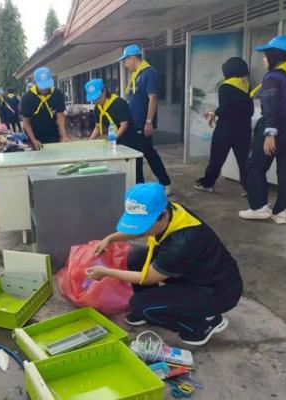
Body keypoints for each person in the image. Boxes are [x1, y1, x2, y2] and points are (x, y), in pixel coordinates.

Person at [87, 183, 243, 346]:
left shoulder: (182, 242)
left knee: (139, 305)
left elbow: (147, 278)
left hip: (218, 291)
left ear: (163, 214)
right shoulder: (171, 211)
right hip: (194, 272)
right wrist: (110, 239)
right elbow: (140, 230)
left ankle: (202, 325)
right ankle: (154, 306)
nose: (142, 230)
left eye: (145, 224)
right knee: (137, 257)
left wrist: (106, 272)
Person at [239, 35, 286, 224]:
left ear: (276, 55)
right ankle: (281, 212)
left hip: (275, 128)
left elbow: (271, 106)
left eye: (266, 55)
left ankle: (258, 207)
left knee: (255, 166)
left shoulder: (274, 77)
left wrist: (270, 133)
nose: (263, 59)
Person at [119, 44, 172, 195]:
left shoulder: (149, 73)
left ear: (132, 58)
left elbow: (153, 98)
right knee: (143, 154)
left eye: (125, 60)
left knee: (146, 154)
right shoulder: (137, 74)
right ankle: (148, 184)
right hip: (134, 123)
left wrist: (149, 122)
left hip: (142, 123)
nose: (125, 64)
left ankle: (162, 183)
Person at [195, 57, 254, 193]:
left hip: (226, 129)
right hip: (244, 128)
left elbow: (225, 109)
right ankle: (250, 189)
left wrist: (214, 113)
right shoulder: (246, 85)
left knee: (216, 158)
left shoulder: (225, 86)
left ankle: (208, 184)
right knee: (244, 161)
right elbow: (250, 110)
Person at [85, 78, 144, 182]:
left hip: (130, 142)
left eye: (97, 97)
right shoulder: (97, 108)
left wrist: (113, 139)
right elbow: (98, 127)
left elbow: (124, 125)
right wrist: (89, 141)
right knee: (120, 173)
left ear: (104, 91)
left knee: (135, 173)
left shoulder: (119, 103)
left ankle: (139, 190)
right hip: (115, 143)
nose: (96, 101)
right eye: (93, 99)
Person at [20, 66, 70, 149]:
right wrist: (33, 140)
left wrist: (64, 135)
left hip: (54, 134)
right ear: (35, 83)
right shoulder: (27, 98)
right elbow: (26, 121)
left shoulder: (57, 94)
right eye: (42, 86)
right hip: (35, 136)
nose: (45, 89)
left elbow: (60, 115)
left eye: (46, 85)